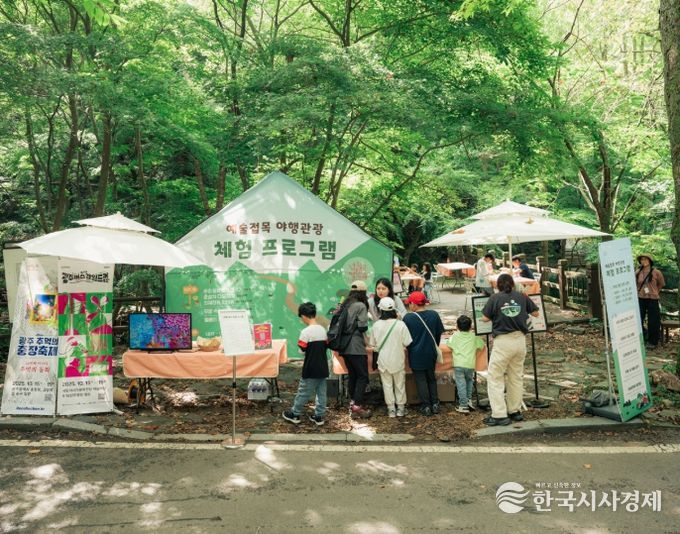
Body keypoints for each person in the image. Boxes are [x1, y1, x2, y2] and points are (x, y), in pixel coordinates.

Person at [481, 274, 539, 426]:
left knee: (495, 377)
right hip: (520, 340)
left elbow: (485, 318)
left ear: (497, 285)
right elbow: (536, 313)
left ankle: (499, 414)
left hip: (503, 342)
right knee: (516, 376)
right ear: (513, 284)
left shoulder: (494, 298)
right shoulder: (522, 296)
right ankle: (515, 411)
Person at [282, 302, 329, 426]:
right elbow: (325, 346)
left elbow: (302, 349)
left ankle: (295, 414)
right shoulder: (323, 330)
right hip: (323, 367)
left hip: (310, 368)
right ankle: (319, 416)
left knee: (303, 392)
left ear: (303, 316)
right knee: (321, 393)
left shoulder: (305, 332)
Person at [369, 297, 412, 417]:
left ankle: (391, 409)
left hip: (383, 360)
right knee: (400, 384)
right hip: (398, 359)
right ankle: (401, 408)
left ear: (381, 310)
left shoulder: (376, 325)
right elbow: (407, 342)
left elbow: (372, 344)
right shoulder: (401, 324)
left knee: (387, 385)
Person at [403, 291, 445, 416]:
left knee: (420, 379)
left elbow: (405, 339)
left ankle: (426, 406)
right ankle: (435, 404)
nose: (409, 305)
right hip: (431, 352)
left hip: (415, 354)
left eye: (409, 303)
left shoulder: (408, 318)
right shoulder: (434, 315)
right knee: (431, 378)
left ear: (414, 304)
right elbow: (438, 334)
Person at [339, 280, 372, 418]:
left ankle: (352, 404)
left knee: (353, 375)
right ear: (363, 292)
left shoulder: (345, 304)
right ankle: (357, 407)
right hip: (356, 346)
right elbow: (363, 327)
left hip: (344, 346)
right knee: (362, 376)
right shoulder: (360, 305)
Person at [447, 315, 485, 414]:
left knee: (461, 385)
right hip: (470, 364)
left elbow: (448, 344)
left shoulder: (454, 336)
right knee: (469, 382)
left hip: (459, 364)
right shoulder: (474, 337)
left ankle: (463, 405)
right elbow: (482, 345)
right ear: (470, 327)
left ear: (457, 326)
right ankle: (468, 400)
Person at [636, 254, 665, 349]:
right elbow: (635, 283)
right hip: (641, 298)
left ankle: (652, 342)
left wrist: (655, 292)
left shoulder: (656, 272)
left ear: (650, 261)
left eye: (645, 259)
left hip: (653, 299)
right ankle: (643, 336)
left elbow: (661, 284)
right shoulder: (638, 272)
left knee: (653, 321)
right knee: (638, 319)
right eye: (642, 259)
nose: (643, 261)